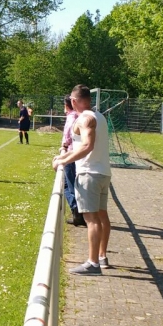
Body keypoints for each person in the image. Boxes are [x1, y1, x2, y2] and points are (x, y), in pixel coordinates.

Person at [52, 85, 113, 275]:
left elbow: (87, 145)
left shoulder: (85, 118)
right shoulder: (100, 116)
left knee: (91, 219)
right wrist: (64, 156)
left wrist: (64, 160)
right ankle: (101, 257)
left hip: (89, 174)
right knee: (102, 216)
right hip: (103, 173)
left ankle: (93, 263)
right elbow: (82, 146)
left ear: (74, 101)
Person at [61, 95, 85, 227]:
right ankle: (79, 212)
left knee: (68, 184)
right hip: (76, 153)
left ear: (66, 105)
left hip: (71, 153)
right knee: (72, 184)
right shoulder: (79, 116)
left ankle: (77, 213)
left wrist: (64, 145)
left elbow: (68, 134)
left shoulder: (72, 117)